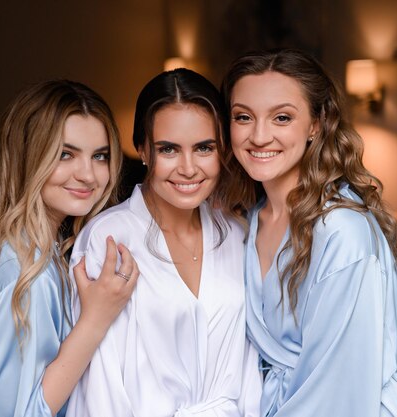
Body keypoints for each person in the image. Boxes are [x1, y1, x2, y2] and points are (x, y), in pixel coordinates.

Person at [221, 48, 397, 417]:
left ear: (316, 124)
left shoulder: (342, 232)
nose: (259, 135)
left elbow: (339, 384)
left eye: (282, 117)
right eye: (243, 117)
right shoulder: (249, 220)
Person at [0, 79, 139, 417]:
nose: (88, 174)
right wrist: (96, 320)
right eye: (65, 154)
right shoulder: (28, 273)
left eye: (99, 156)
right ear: (27, 157)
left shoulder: (26, 249)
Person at [65, 68, 261, 417]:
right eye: (168, 149)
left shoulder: (236, 235)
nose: (188, 168)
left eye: (204, 148)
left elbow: (249, 369)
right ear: (142, 150)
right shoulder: (109, 239)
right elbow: (100, 388)